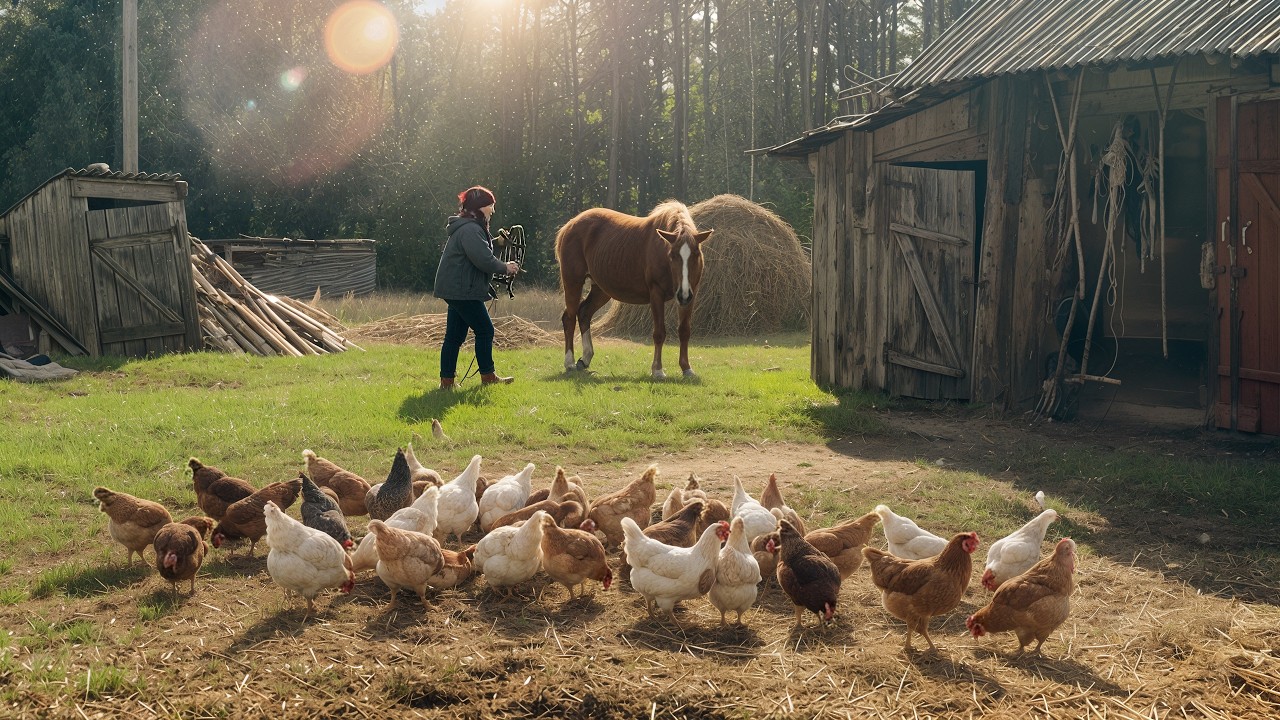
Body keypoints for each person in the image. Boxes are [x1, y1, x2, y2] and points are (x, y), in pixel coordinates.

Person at [433, 185, 519, 389]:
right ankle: (488, 377)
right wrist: (506, 267)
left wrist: (498, 242)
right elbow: (483, 260)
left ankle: (447, 383)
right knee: (485, 331)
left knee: (454, 337)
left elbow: (480, 250)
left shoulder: (468, 227)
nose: (493, 210)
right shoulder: (471, 229)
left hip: (457, 289)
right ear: (480, 207)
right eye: (490, 205)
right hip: (463, 291)